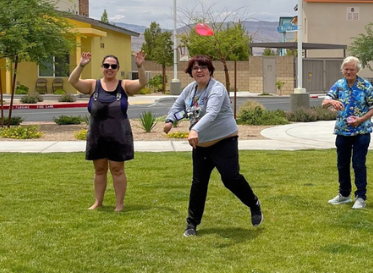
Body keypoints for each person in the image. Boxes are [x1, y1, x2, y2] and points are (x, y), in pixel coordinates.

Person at [164, 55, 262, 237]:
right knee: (198, 183)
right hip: (201, 146)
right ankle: (191, 224)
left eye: (203, 67)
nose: (199, 70)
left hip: (224, 141)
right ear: (190, 72)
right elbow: (178, 107)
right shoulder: (190, 90)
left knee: (230, 178)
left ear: (210, 70)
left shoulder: (217, 89)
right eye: (195, 67)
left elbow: (212, 113)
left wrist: (195, 130)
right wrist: (170, 120)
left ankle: (253, 203)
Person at [68, 51, 147, 211]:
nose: (109, 68)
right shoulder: (92, 85)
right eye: (106, 65)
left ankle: (119, 204)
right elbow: (73, 81)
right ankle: (98, 202)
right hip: (97, 136)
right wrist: (81, 64)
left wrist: (139, 66)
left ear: (117, 68)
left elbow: (142, 83)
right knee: (99, 169)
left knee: (117, 170)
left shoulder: (124, 86)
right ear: (102, 67)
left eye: (113, 66)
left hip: (119, 136)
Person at [322, 56, 373, 209]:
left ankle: (361, 196)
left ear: (357, 70)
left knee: (359, 164)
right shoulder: (339, 85)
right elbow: (324, 103)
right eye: (346, 69)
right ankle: (344, 194)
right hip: (343, 131)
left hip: (362, 131)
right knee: (342, 164)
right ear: (342, 70)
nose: (348, 72)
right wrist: (331, 102)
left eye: (351, 69)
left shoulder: (365, 86)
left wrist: (361, 120)